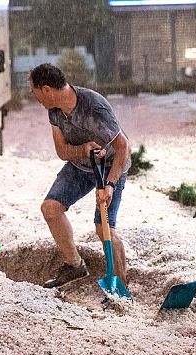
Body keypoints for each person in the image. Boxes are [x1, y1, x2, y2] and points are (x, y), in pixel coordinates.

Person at [28, 63, 131, 288]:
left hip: (111, 165)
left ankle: (121, 286)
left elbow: (124, 148)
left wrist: (110, 185)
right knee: (50, 209)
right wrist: (83, 149)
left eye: (34, 92)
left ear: (46, 89)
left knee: (104, 228)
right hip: (80, 167)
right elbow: (62, 152)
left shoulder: (94, 107)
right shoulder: (54, 111)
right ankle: (74, 265)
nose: (35, 98)